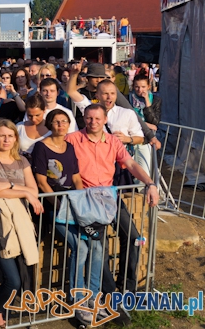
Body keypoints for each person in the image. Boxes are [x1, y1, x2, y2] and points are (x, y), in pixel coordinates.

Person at [64, 104, 159, 299]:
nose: (93, 122)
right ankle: (108, 292)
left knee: (134, 238)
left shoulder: (113, 141)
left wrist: (150, 183)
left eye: (97, 118)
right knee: (99, 247)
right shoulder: (72, 139)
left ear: (105, 120)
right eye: (89, 118)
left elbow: (130, 163)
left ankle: (127, 289)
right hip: (87, 200)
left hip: (109, 197)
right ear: (84, 118)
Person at [0, 120, 43, 329]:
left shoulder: (22, 161)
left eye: (10, 135)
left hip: (21, 222)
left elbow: (35, 191)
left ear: (15, 138)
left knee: (24, 273)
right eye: (1, 135)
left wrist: (9, 185)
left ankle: (19, 312)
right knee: (12, 279)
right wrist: (23, 192)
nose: (6, 139)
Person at [31, 109, 83, 193]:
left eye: (64, 121)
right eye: (56, 122)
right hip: (51, 197)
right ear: (50, 124)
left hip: (70, 195)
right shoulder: (41, 147)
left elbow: (76, 178)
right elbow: (41, 183)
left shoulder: (69, 147)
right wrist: (57, 201)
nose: (60, 125)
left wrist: (80, 197)